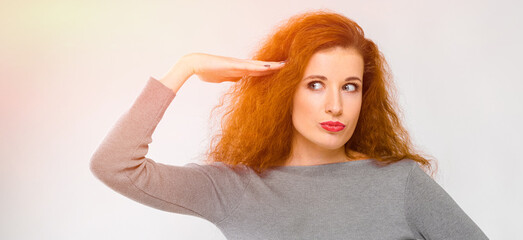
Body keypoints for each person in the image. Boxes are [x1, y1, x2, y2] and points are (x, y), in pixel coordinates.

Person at [90, 10, 489, 240]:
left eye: (350, 87)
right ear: (285, 92)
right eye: (315, 85)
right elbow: (114, 167)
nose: (336, 105)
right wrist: (186, 67)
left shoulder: (400, 183)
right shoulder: (233, 189)